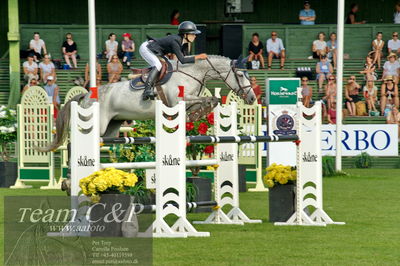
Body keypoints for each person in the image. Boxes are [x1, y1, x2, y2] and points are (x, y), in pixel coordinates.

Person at [139, 21, 207, 100]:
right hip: (147, 48)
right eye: (193, 34)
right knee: (158, 65)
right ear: (185, 35)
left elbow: (186, 58)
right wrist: (198, 56)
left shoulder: (184, 43)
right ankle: (147, 90)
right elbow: (183, 60)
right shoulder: (175, 41)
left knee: (169, 64)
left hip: (157, 51)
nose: (195, 36)